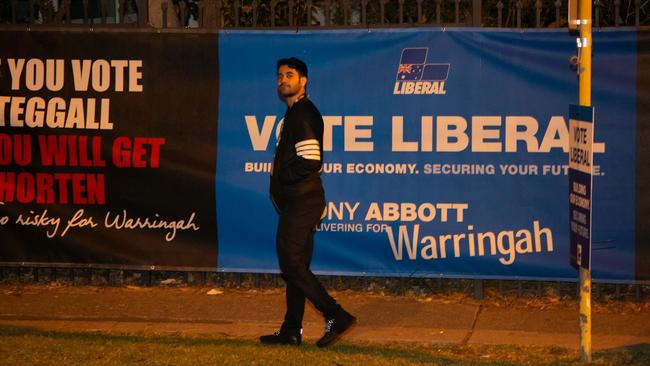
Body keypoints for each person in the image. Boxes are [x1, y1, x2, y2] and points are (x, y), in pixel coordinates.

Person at [260, 57, 356, 348]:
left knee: (290, 264)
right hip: (298, 202)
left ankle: (335, 315)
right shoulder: (291, 115)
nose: (283, 80)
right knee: (296, 266)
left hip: (303, 202)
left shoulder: (304, 115)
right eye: (279, 75)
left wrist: (280, 175)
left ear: (304, 81)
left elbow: (311, 161)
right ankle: (291, 330)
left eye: (289, 75)